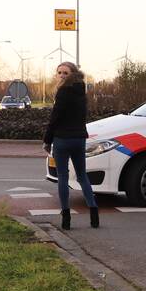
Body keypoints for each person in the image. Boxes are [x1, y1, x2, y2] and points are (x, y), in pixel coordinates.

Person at [43, 61, 98, 230]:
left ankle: (66, 217)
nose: (61, 75)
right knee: (82, 176)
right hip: (79, 138)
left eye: (65, 73)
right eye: (59, 72)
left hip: (62, 139)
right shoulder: (81, 91)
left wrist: (47, 139)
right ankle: (94, 213)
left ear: (72, 74)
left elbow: (55, 118)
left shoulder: (63, 92)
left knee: (63, 176)